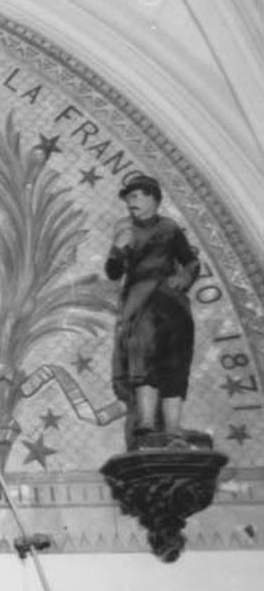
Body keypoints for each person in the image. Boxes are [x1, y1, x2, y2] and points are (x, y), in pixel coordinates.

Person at [105, 174, 200, 449]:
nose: (130, 203)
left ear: (152, 198)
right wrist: (118, 247)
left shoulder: (170, 229)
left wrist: (183, 279)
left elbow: (191, 262)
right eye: (128, 199)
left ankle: (173, 428)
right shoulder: (125, 229)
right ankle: (146, 423)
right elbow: (113, 271)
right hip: (140, 301)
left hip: (171, 303)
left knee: (175, 360)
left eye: (135, 197)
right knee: (142, 358)